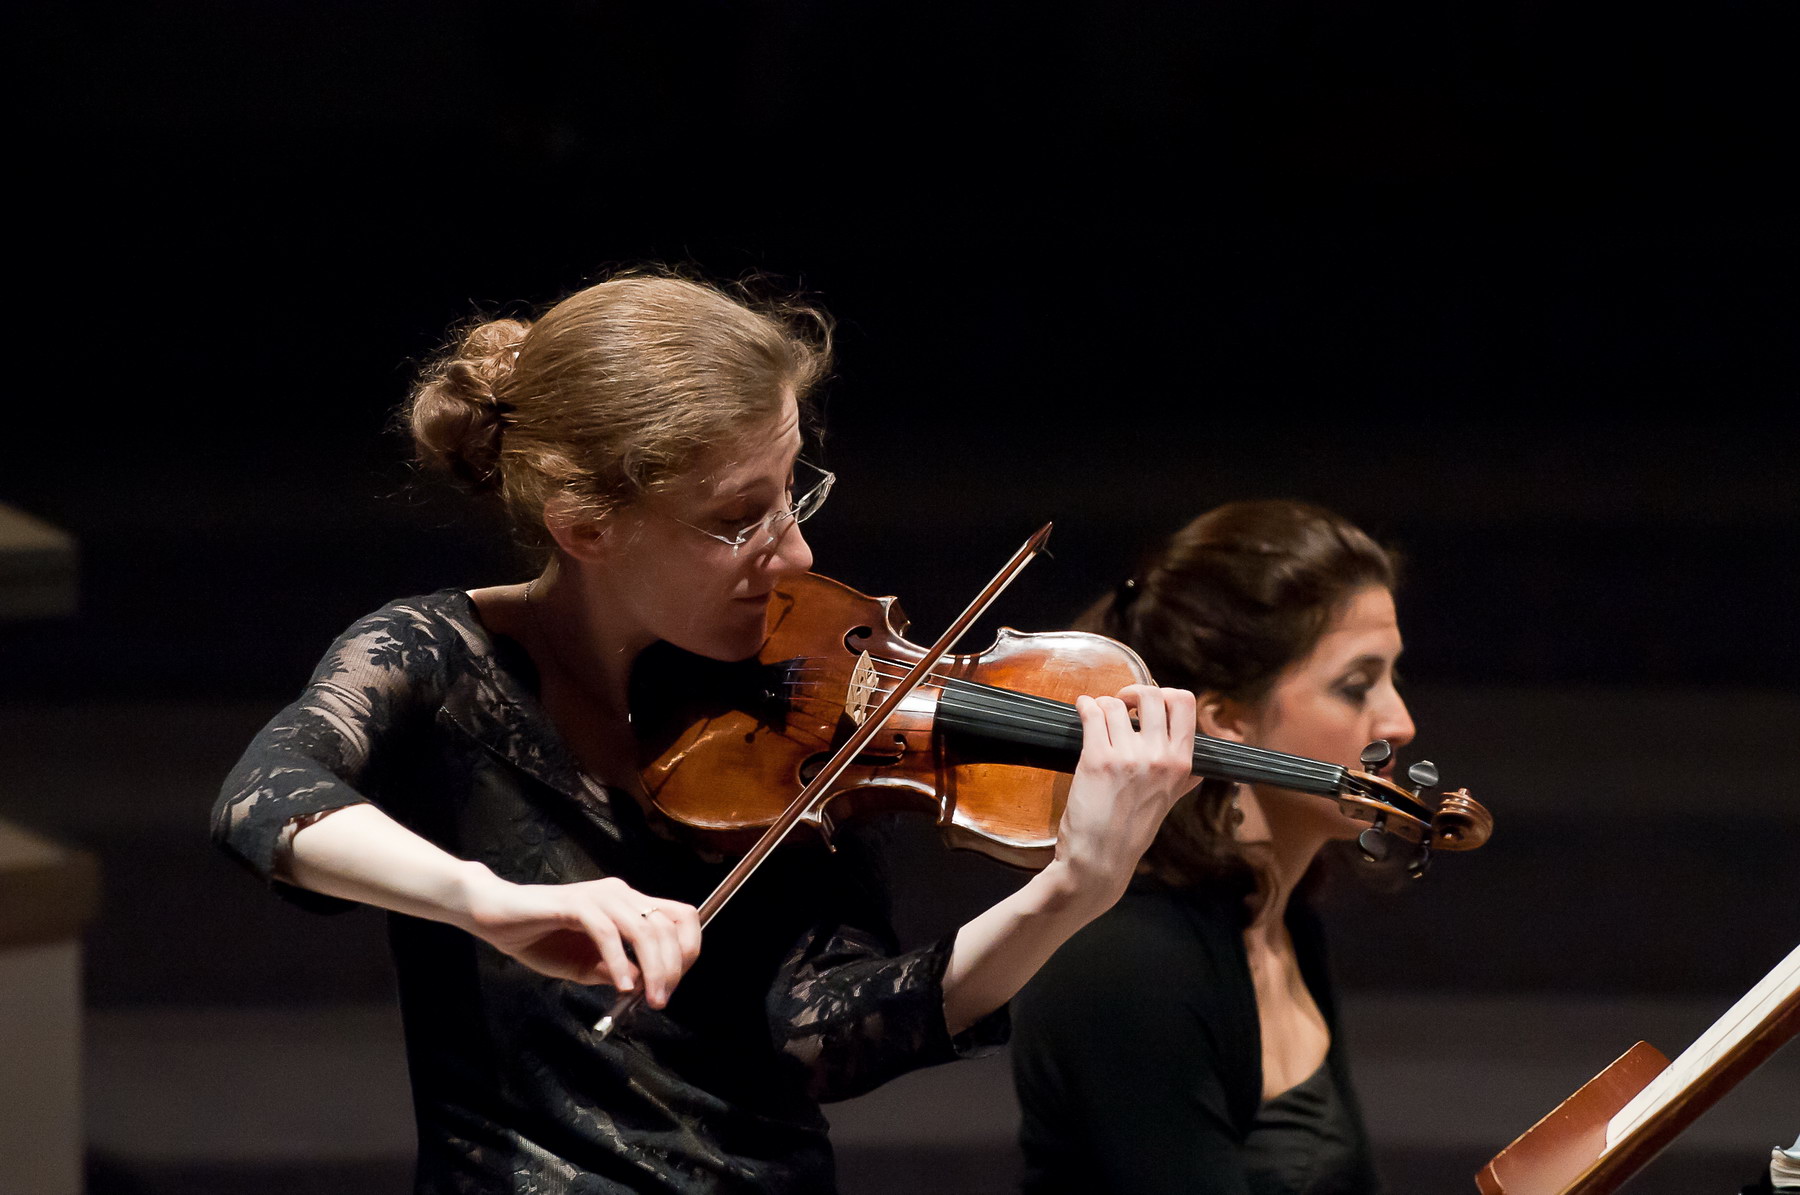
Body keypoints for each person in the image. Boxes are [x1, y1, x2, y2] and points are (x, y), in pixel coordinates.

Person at [209, 270, 1200, 1194]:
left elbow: (813, 1034)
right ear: (584, 527)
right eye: (739, 519)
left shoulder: (807, 695)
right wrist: (487, 901)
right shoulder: (435, 658)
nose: (797, 552)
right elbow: (265, 799)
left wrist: (1073, 891)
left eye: (792, 493)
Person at [1009, 499, 1414, 1195]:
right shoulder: (1131, 966)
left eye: (1392, 677)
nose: (1400, 721)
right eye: (1356, 685)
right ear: (1227, 720)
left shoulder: (1282, 924)